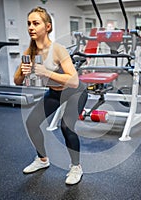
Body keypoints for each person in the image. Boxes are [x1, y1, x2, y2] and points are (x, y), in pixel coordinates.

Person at [14, 6, 88, 185]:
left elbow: (73, 80)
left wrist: (46, 73)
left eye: (36, 23)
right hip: (55, 93)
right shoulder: (29, 52)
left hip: (74, 93)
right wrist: (23, 73)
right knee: (31, 123)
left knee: (66, 127)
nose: (31, 27)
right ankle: (42, 159)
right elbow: (17, 81)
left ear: (47, 27)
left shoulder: (58, 50)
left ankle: (76, 167)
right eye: (29, 24)